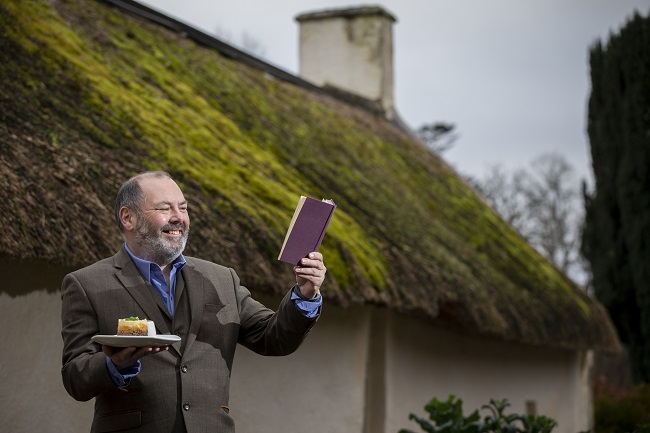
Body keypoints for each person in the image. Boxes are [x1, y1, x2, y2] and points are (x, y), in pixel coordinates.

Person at [61, 171, 326, 433]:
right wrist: (114, 365)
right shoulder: (87, 284)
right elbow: (75, 378)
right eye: (165, 208)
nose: (178, 217)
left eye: (183, 208)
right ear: (128, 218)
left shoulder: (222, 279)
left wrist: (305, 294)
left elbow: (274, 338)